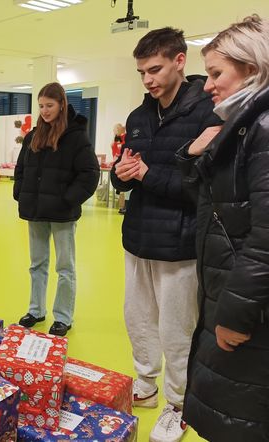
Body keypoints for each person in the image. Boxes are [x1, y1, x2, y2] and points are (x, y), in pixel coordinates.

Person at [110, 28, 221, 442]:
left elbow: (203, 189)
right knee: (137, 320)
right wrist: (121, 176)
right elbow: (127, 173)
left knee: (177, 330)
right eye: (141, 73)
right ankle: (145, 384)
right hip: (138, 238)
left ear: (180, 61)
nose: (148, 80)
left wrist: (148, 175)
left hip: (181, 244)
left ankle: (178, 404)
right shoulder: (139, 117)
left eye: (154, 69)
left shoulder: (208, 114)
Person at [177, 15, 269, 441]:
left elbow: (266, 239)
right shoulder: (242, 127)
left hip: (247, 308)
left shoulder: (263, 131)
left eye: (216, 73)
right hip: (229, 292)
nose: (207, 85)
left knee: (241, 414)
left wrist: (234, 313)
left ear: (252, 68)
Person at [14, 82, 99, 336]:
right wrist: (20, 193)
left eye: (49, 105)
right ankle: (36, 309)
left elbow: (90, 173)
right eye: (41, 106)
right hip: (36, 211)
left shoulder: (75, 136)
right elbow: (21, 169)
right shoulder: (32, 136)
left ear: (62, 104)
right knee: (36, 264)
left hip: (62, 213)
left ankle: (63, 316)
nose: (45, 110)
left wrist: (68, 199)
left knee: (65, 267)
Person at [111, 124, 128, 214]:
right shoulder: (115, 141)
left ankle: (124, 207)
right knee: (121, 190)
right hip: (118, 164)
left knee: (124, 190)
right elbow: (115, 154)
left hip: (124, 164)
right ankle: (122, 207)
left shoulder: (125, 137)